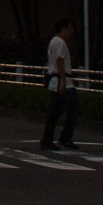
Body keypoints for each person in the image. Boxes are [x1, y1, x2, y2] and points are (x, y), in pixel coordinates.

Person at [40, 16, 78, 150]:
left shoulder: (53, 42)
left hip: (56, 80)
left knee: (55, 113)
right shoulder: (60, 42)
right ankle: (63, 138)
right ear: (64, 28)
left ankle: (49, 139)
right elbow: (60, 61)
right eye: (70, 28)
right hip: (62, 81)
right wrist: (63, 80)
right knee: (73, 108)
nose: (71, 31)